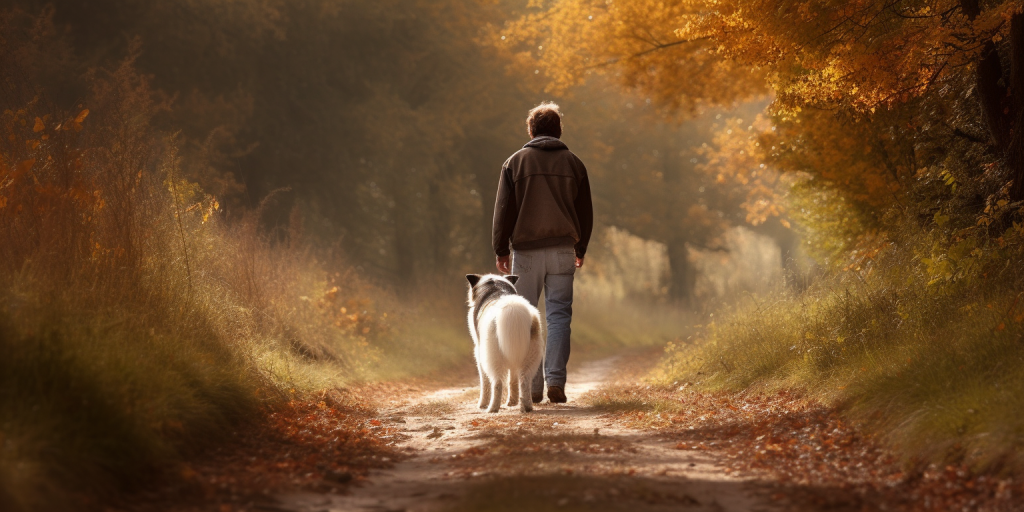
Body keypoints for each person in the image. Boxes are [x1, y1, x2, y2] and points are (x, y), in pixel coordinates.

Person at [491, 102, 593, 404]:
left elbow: (503, 210)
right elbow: (585, 211)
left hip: (526, 252)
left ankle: (532, 388)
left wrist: (500, 249)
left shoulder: (514, 162)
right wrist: (581, 247)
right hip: (563, 248)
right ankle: (556, 382)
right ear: (558, 130)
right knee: (559, 315)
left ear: (531, 130)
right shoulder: (574, 163)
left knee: (525, 320)